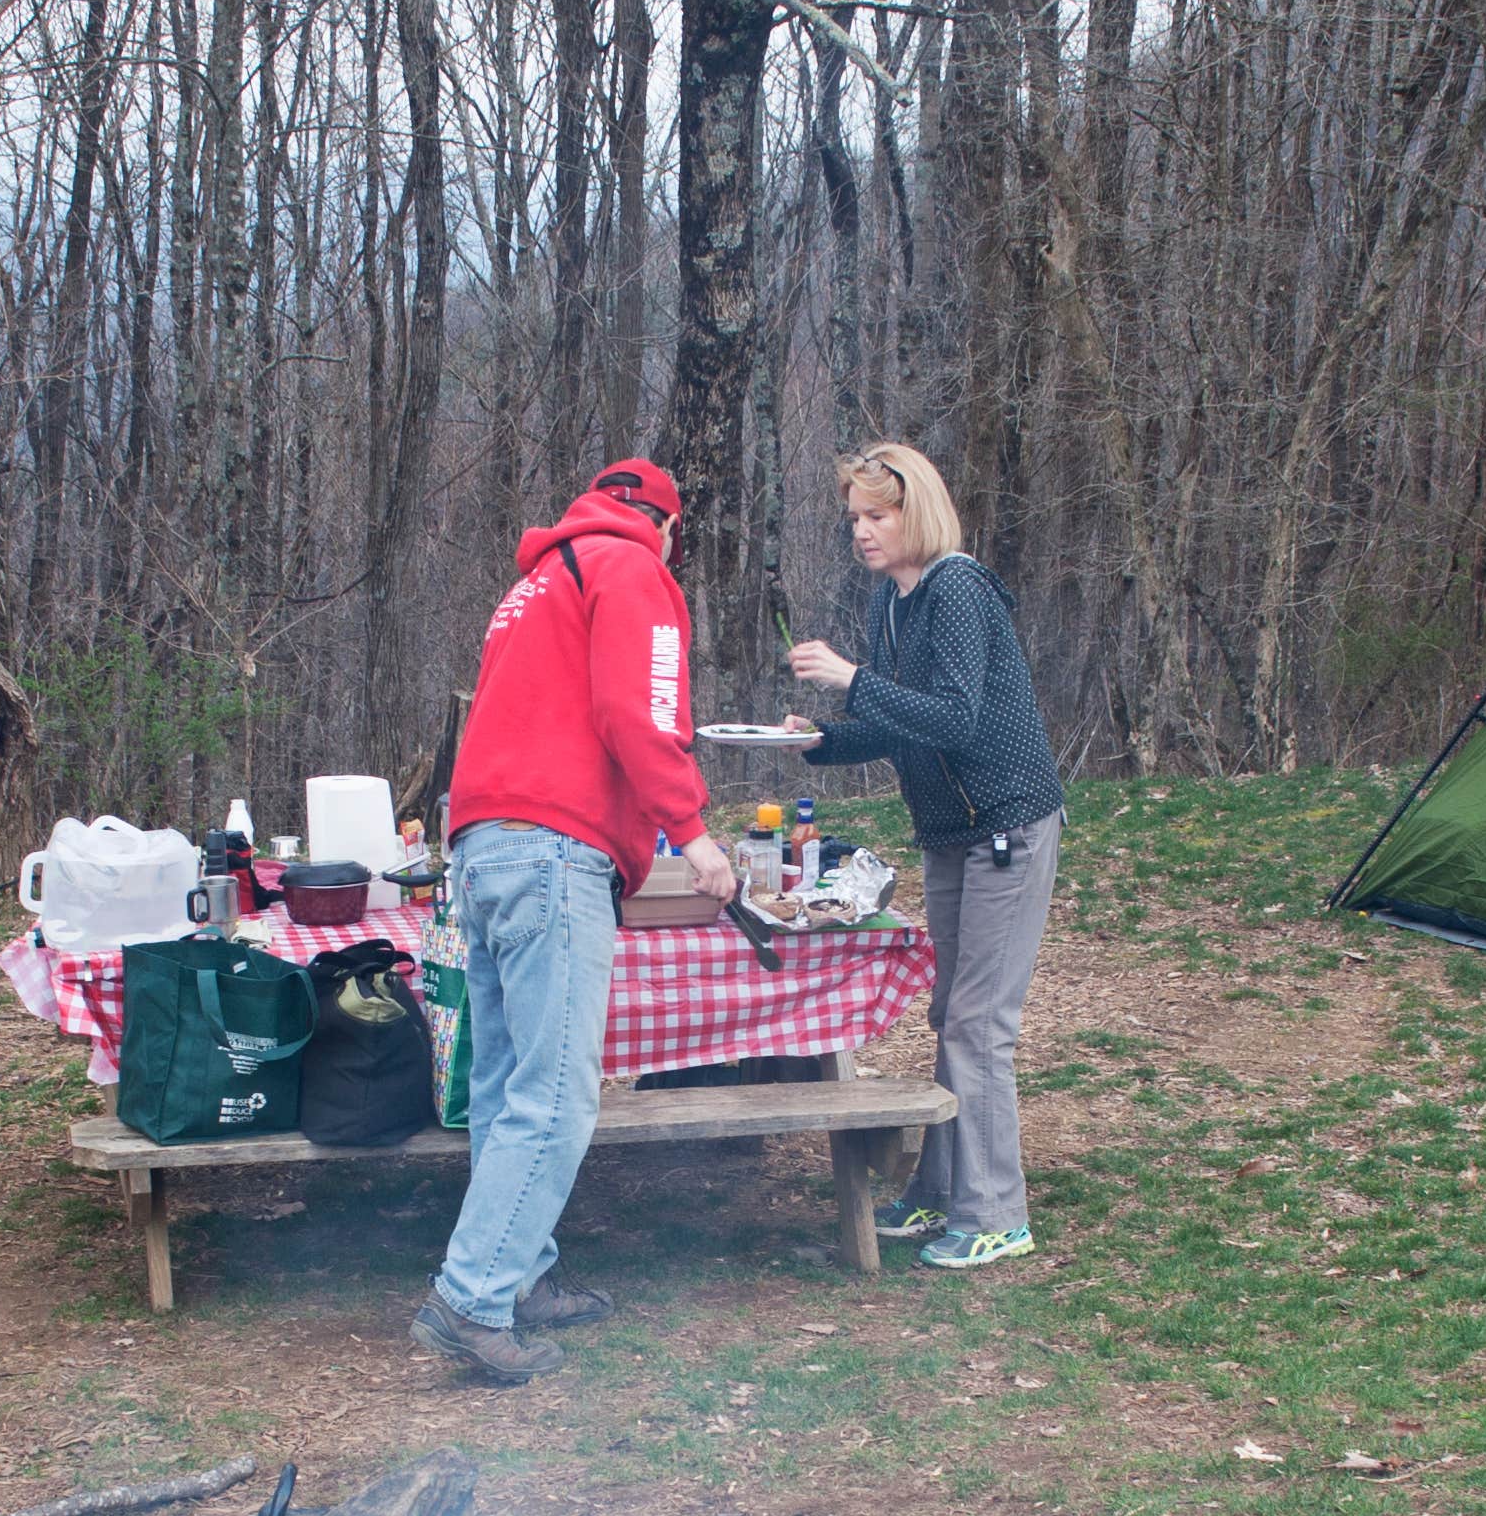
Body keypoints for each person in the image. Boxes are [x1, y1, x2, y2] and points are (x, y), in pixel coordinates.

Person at [415, 461, 739, 1383]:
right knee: (556, 1093)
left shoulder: (538, 578)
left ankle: (520, 1276)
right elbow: (638, 712)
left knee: (507, 1083)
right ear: (666, 524)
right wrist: (693, 834)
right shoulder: (635, 568)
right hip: (552, 849)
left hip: (483, 844)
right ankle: (473, 1299)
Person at [786, 442, 1064, 1270]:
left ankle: (996, 1213)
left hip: (1007, 824)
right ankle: (943, 1192)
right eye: (856, 519)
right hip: (950, 831)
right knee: (953, 1014)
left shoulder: (960, 590)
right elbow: (903, 723)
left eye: (879, 515)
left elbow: (956, 719)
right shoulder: (893, 602)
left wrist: (848, 680)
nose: (864, 533)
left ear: (919, 512)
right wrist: (822, 741)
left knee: (981, 1023)